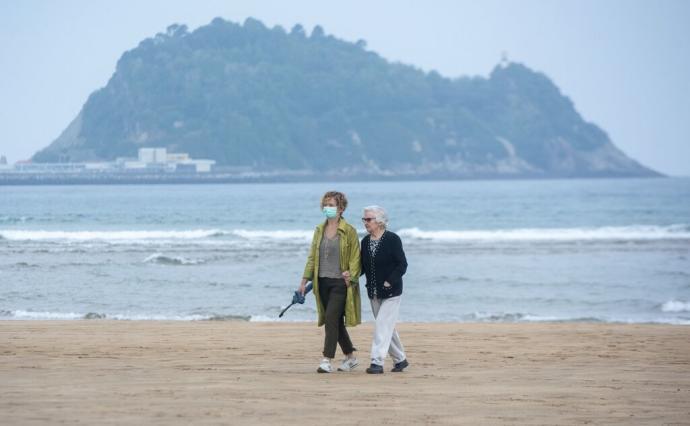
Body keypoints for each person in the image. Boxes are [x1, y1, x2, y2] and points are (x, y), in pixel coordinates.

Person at [299, 191, 362, 373]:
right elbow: (312, 257)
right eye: (326, 204)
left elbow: (355, 258)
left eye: (332, 205)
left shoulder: (348, 230)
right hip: (321, 283)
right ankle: (350, 357)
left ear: (341, 208)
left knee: (330, 319)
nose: (328, 208)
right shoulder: (319, 229)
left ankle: (327, 359)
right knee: (335, 321)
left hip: (340, 284)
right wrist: (304, 281)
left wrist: (351, 275)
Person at [359, 205, 409, 374]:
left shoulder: (392, 239)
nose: (365, 222)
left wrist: (389, 281)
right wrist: (350, 275)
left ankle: (377, 362)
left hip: (392, 292)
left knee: (382, 325)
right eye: (364, 219)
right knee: (387, 327)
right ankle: (400, 360)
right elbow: (363, 267)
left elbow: (402, 264)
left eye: (368, 219)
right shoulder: (365, 241)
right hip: (373, 292)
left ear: (379, 221)